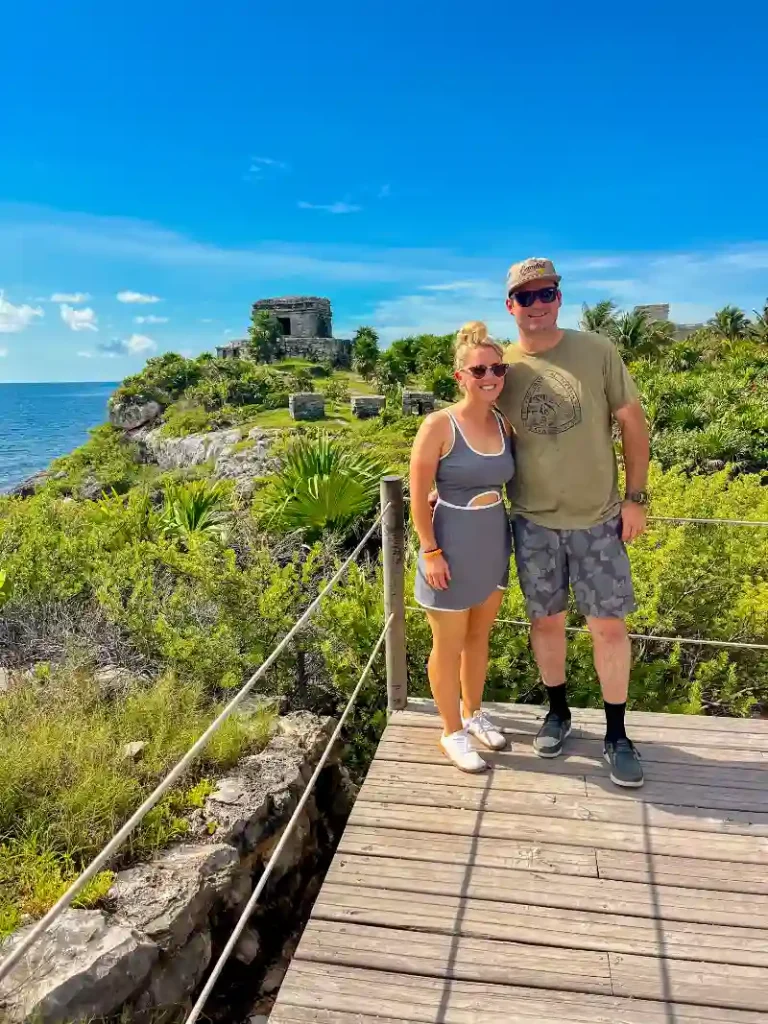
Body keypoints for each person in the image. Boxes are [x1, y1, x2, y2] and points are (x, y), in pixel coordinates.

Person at [495, 258, 650, 788]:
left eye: (546, 294)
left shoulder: (598, 350)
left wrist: (636, 498)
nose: (537, 305)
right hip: (532, 520)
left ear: (560, 297)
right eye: (525, 296)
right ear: (509, 305)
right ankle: (557, 711)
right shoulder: (501, 366)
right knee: (547, 623)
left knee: (608, 626)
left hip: (599, 518)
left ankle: (616, 733)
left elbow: (632, 421)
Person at [410, 321, 516, 773]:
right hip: (450, 542)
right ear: (461, 377)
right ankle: (451, 731)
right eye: (479, 370)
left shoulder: (504, 422)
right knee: (447, 644)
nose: (489, 376)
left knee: (478, 638)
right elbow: (417, 492)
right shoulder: (439, 424)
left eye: (497, 368)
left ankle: (474, 714)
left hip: (494, 540)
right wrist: (430, 550)